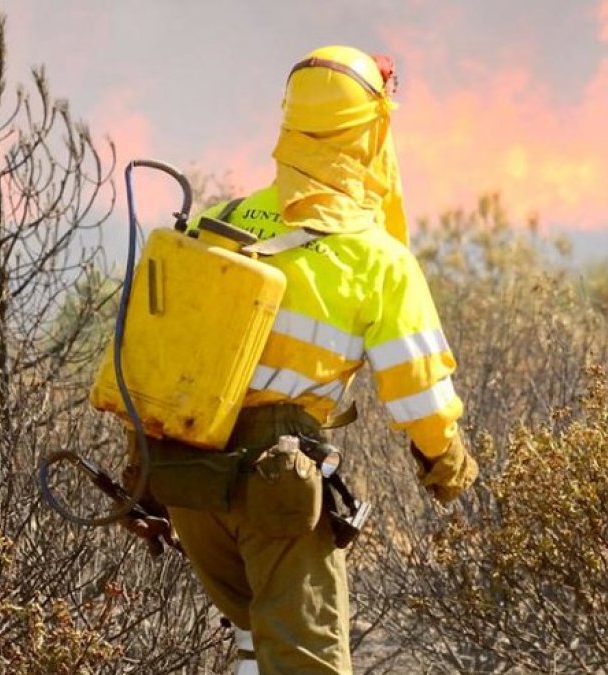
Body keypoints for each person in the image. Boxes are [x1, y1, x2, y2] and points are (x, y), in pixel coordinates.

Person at [121, 45, 478, 674]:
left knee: (255, 642)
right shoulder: (377, 260)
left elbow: (155, 362)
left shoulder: (220, 221)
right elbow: (420, 400)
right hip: (274, 489)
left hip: (188, 482)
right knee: (307, 662)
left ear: (290, 123)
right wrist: (448, 466)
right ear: (371, 133)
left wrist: (139, 477)